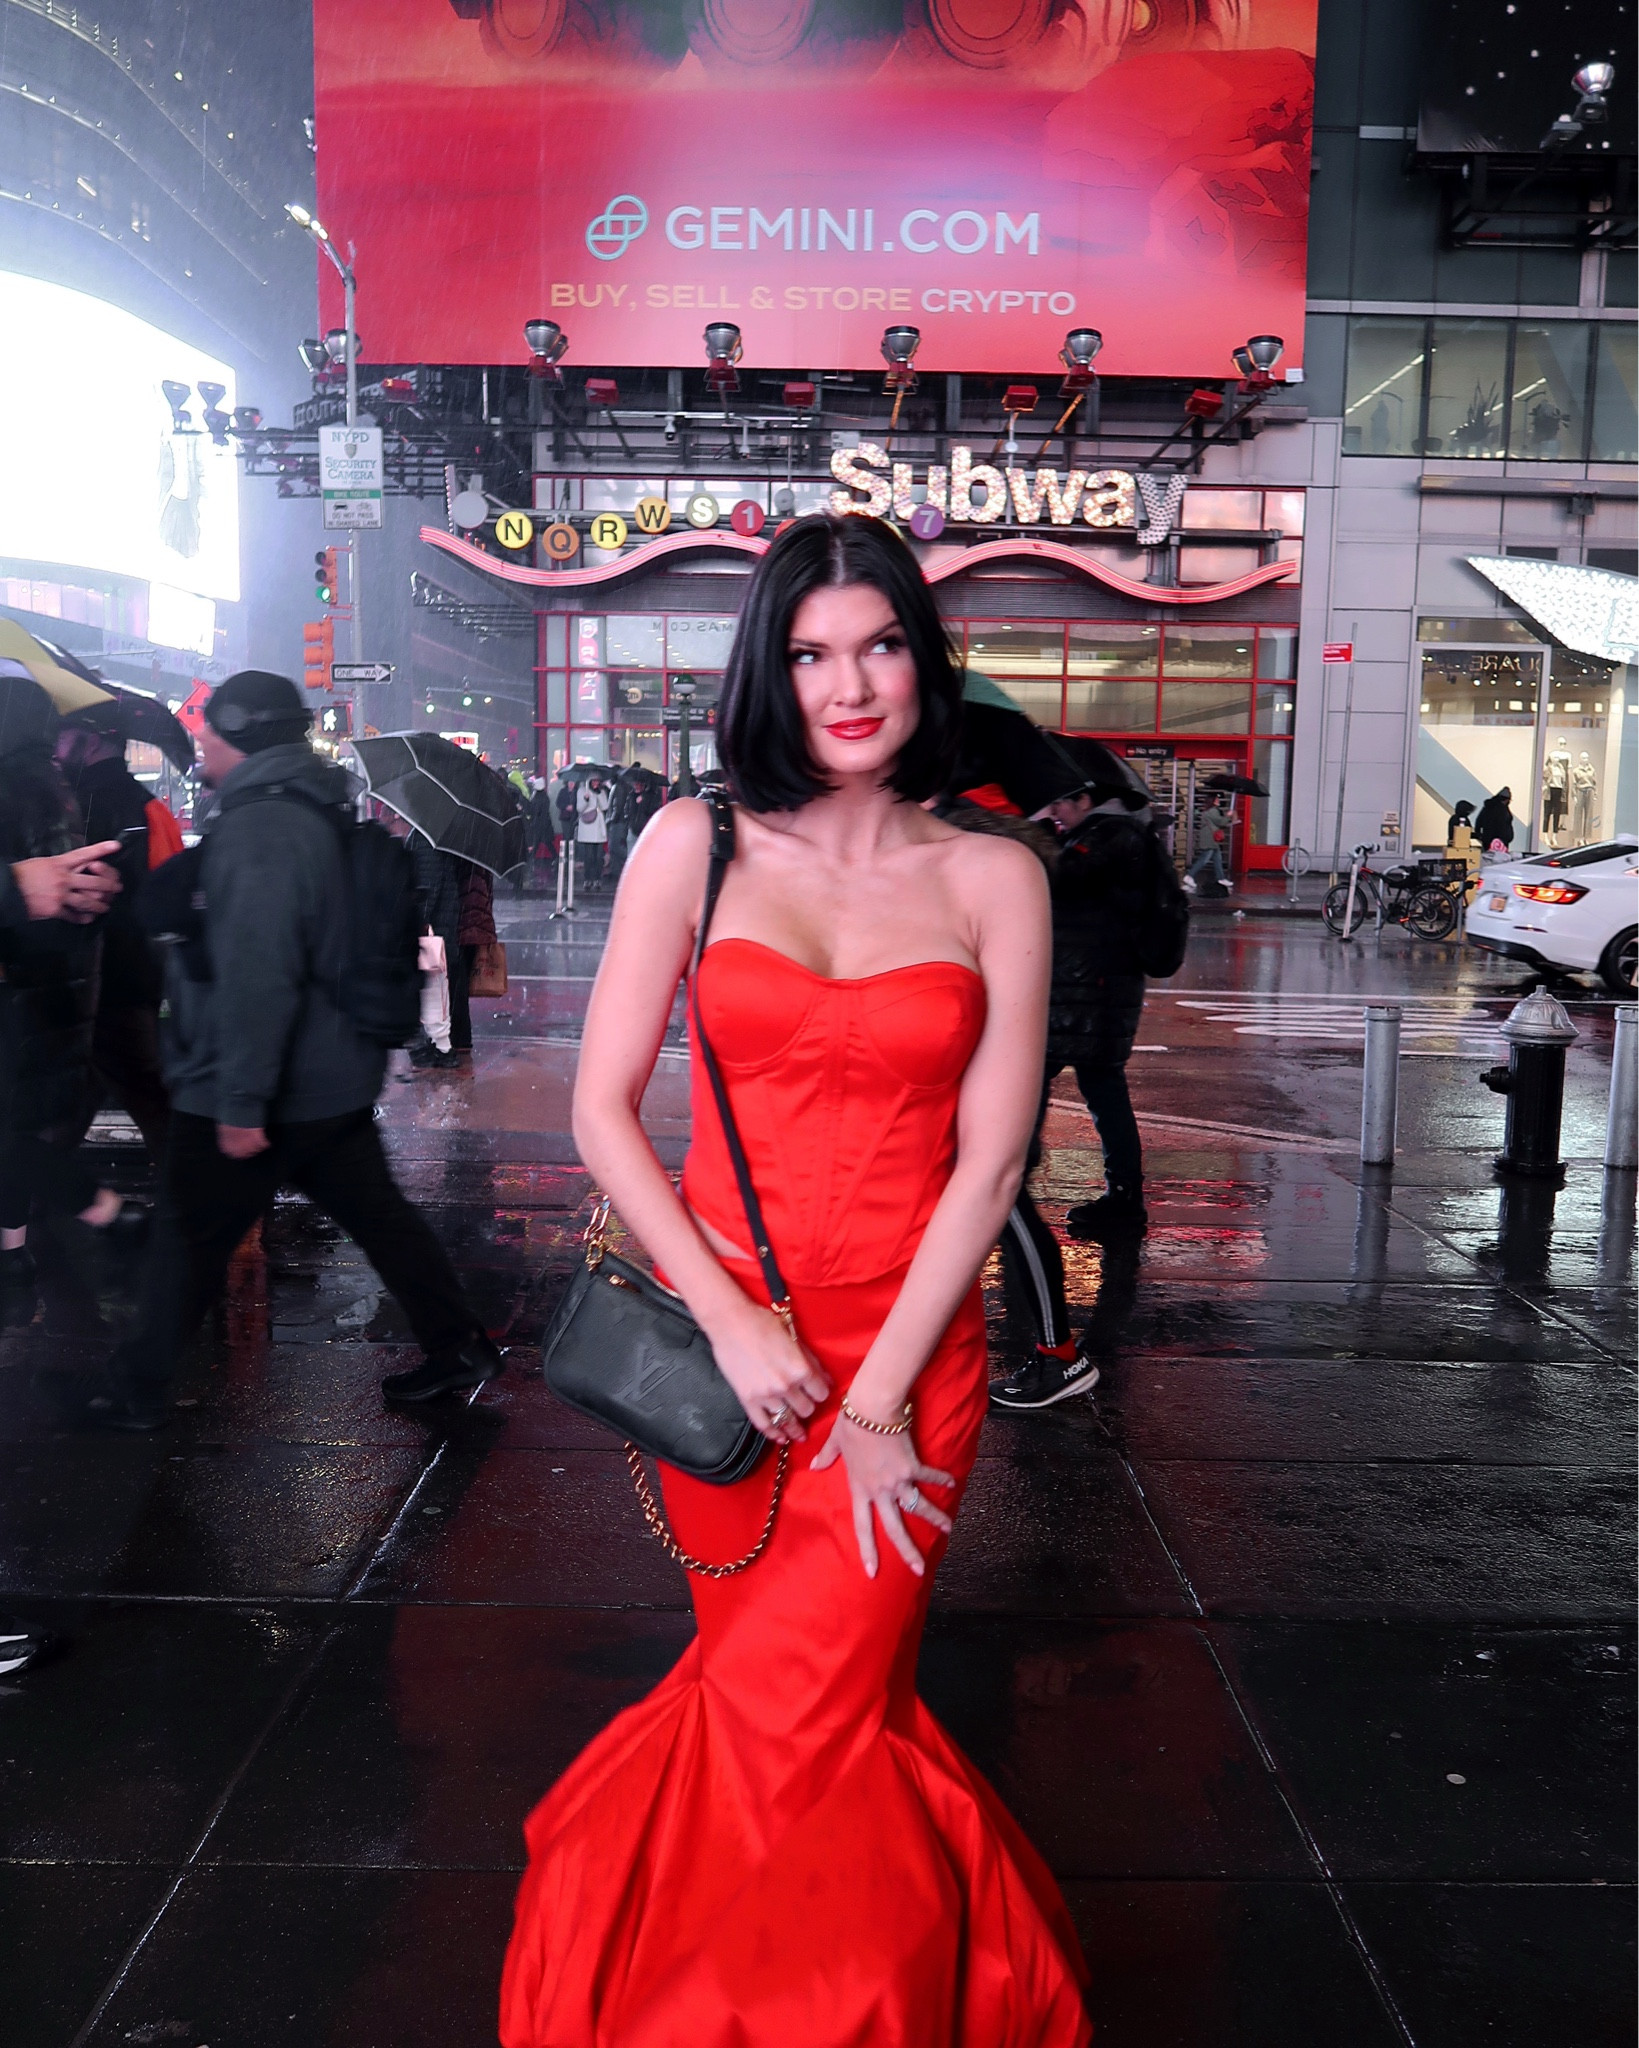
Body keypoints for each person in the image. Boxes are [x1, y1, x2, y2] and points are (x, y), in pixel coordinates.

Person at [501, 516, 1088, 2044]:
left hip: (906, 1368)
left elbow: (991, 1164)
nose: (848, 684)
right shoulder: (689, 843)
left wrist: (881, 1398)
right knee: (765, 1698)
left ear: (921, 658)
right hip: (727, 1364)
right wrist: (729, 1318)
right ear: (767, 669)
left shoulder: (991, 872)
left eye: (878, 644)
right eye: (811, 651)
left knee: (828, 1704)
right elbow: (599, 1111)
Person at [98, 670, 501, 1428]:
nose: (200, 742)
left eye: (207, 729)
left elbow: (258, 972)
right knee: (382, 1220)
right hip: (327, 1079)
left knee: (188, 1236)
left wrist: (242, 1100)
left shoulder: (262, 829)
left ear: (238, 734)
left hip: (262, 1088)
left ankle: (132, 1387)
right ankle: (457, 1346)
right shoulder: (307, 806)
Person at [991, 768, 1155, 1410]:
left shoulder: (1108, 837)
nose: (1056, 810)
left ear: (1087, 797)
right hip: (1090, 996)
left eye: (1062, 799)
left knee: (1028, 1098)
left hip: (1081, 998)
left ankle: (1016, 1187)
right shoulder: (1114, 834)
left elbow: (1059, 879)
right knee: (1100, 1095)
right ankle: (1119, 1192)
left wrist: (1032, 838)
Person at [0, 675, 147, 1322]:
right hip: (45, 1001)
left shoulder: (14, 786)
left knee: (10, 1137)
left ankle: (105, 1214)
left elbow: (40, 892)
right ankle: (19, 1252)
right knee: (12, 1135)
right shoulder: (50, 782)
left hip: (19, 997)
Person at [55, 712, 176, 1157]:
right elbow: (168, 888)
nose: (55, 747)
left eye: (64, 737)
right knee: (74, 1103)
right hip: (131, 976)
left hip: (104, 982)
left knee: (148, 1096)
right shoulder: (151, 807)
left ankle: (192, 1207)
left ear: (91, 742)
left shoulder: (77, 803)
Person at [1182, 797, 1233, 893]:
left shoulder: (1208, 811)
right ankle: (1190, 876)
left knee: (1218, 859)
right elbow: (1220, 822)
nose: (1218, 801)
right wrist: (1228, 816)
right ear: (1212, 801)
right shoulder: (1213, 811)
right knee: (1204, 859)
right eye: (1217, 799)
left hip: (1210, 839)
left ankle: (1221, 878)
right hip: (1209, 839)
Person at [576, 771, 610, 885]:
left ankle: (597, 878)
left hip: (598, 827)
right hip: (587, 826)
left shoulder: (601, 792)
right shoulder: (582, 791)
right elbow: (579, 808)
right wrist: (586, 800)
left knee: (598, 855)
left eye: (598, 781)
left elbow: (605, 806)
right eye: (594, 781)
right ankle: (588, 878)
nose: (596, 783)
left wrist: (599, 794)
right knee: (589, 856)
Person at [1474, 785, 1515, 855]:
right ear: (1506, 800)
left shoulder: (1487, 807)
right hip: (1500, 842)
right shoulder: (1503, 810)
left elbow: (1479, 822)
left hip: (1487, 839)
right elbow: (1503, 827)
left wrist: (1480, 835)